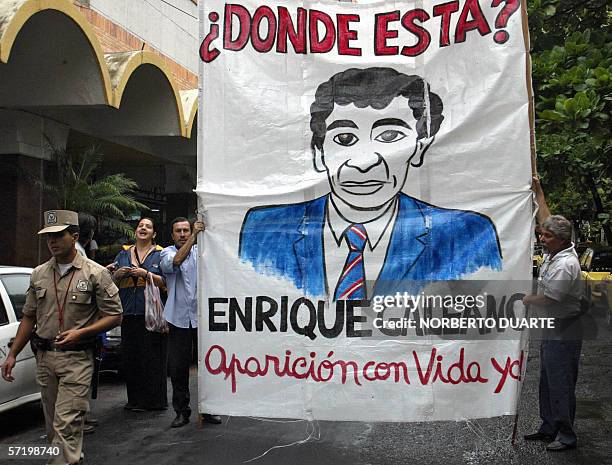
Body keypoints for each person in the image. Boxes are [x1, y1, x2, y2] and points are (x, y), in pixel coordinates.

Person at [239, 67, 502, 300]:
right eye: (344, 138)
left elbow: (478, 329)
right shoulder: (263, 232)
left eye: (389, 136)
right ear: (319, 153)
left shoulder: (466, 235)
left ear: (420, 148)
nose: (364, 162)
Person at [1, 210, 122, 465]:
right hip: (45, 360)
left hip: (77, 360)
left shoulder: (95, 273)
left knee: (66, 425)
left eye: (58, 235)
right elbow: (29, 317)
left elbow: (115, 316)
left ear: (74, 236)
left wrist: (82, 332)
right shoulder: (39, 274)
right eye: (48, 237)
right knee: (54, 430)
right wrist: (12, 354)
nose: (52, 242)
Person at [523, 176, 583, 451]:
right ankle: (549, 427)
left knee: (560, 381)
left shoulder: (565, 264)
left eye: (545, 236)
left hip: (564, 328)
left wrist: (526, 299)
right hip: (551, 327)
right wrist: (539, 192)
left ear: (559, 240)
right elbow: (546, 217)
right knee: (547, 380)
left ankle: (566, 435)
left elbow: (548, 299)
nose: (541, 238)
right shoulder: (556, 250)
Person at [161, 217, 221, 427]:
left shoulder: (200, 251)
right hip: (178, 319)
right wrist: (195, 235)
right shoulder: (166, 253)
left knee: (210, 365)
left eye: (186, 230)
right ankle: (181, 411)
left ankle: (209, 409)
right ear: (172, 235)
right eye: (178, 231)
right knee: (178, 368)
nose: (183, 234)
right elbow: (176, 262)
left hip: (202, 318)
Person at [111, 218, 167, 411]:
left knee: (151, 357)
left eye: (148, 226)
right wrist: (116, 275)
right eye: (140, 226)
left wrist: (145, 274)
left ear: (154, 234)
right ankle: (134, 400)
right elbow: (111, 282)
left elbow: (166, 282)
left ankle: (153, 401)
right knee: (131, 357)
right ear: (135, 231)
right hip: (128, 312)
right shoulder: (123, 253)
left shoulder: (161, 254)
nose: (143, 228)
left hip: (151, 314)